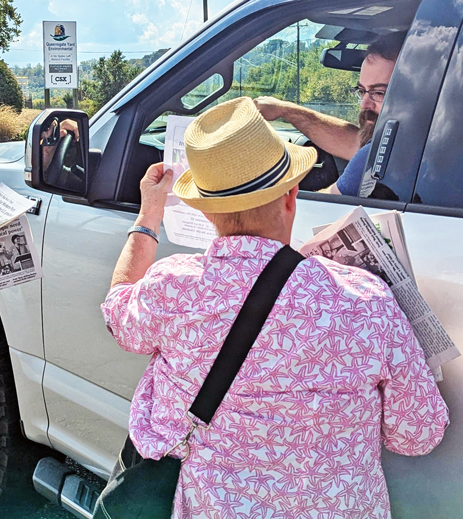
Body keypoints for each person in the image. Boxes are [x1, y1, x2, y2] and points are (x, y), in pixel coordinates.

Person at [101, 97, 448, 518]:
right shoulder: (367, 301)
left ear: (207, 210)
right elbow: (418, 434)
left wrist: (148, 215)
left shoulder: (173, 288)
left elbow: (119, 311)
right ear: (291, 197)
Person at [254, 32, 405, 196]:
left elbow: (323, 208)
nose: (364, 104)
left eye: (379, 93)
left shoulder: (380, 154)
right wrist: (283, 109)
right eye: (362, 91)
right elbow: (356, 144)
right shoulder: (410, 146)